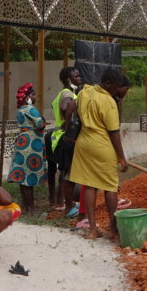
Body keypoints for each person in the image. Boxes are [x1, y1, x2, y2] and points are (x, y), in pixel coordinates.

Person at [70, 69, 131, 240]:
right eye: (115, 87)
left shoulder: (85, 92)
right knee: (110, 186)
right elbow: (114, 132)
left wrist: (67, 126)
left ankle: (92, 229)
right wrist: (122, 158)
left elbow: (69, 108)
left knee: (89, 185)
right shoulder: (108, 101)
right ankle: (113, 229)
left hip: (83, 144)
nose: (116, 91)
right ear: (108, 84)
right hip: (102, 146)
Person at [49, 66, 84, 216]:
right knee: (67, 171)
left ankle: (60, 202)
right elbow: (66, 107)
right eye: (76, 77)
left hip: (59, 136)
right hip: (66, 136)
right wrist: (69, 122)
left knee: (63, 170)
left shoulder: (62, 93)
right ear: (69, 79)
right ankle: (65, 204)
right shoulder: (68, 94)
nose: (79, 78)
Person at [8, 83, 47, 214]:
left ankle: (26, 206)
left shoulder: (20, 110)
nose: (35, 97)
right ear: (27, 97)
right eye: (33, 94)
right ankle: (32, 208)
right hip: (31, 145)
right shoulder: (31, 109)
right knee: (29, 177)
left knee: (23, 177)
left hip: (22, 143)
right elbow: (41, 124)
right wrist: (43, 119)